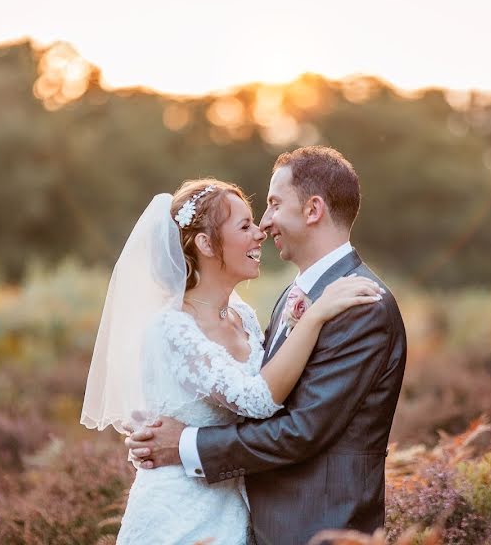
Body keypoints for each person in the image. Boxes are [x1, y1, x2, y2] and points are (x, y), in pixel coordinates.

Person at [126, 146, 408, 545]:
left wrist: (185, 444)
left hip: (314, 526)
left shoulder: (360, 304)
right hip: (229, 519)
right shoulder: (296, 295)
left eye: (274, 203)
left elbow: (301, 430)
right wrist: (149, 426)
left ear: (313, 210)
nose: (265, 222)